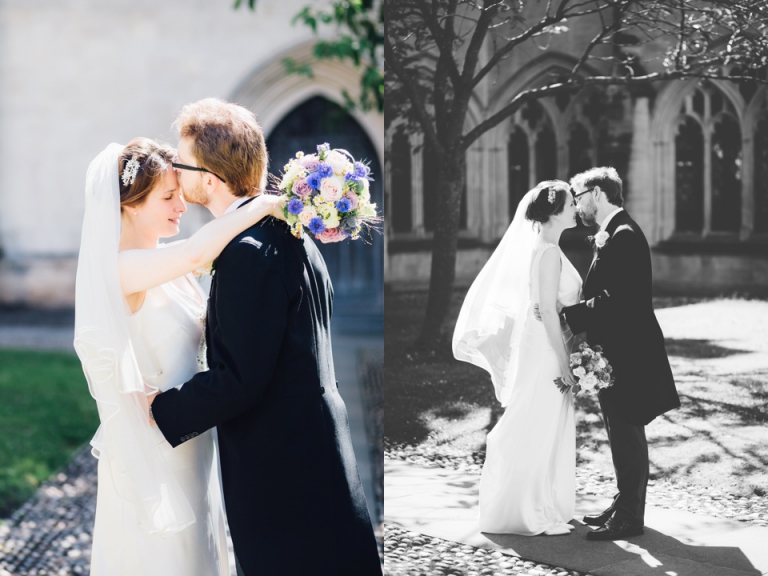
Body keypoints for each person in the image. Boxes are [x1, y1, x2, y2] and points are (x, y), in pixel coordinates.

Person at [147, 98, 382, 576]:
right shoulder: (291, 233)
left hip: (282, 470)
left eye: (180, 160)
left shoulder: (248, 252)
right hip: (316, 452)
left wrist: (159, 410)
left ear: (209, 179)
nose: (173, 169)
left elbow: (240, 379)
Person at [75, 137, 286, 575]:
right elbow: (198, 250)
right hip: (157, 444)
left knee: (200, 551)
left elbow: (198, 258)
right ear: (131, 204)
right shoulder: (121, 268)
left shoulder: (163, 262)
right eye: (168, 197)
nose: (181, 206)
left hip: (193, 438)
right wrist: (265, 205)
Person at [453, 180, 581, 536]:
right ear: (555, 212)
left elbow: (545, 305)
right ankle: (527, 509)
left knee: (541, 419)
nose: (575, 209)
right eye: (571, 204)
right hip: (545, 346)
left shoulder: (546, 246)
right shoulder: (549, 251)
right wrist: (565, 359)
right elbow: (547, 312)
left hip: (541, 340)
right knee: (535, 420)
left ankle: (539, 501)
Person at [559, 167, 680, 541]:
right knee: (621, 432)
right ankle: (625, 502)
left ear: (597, 193)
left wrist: (571, 315)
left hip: (628, 353)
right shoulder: (614, 232)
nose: (577, 206)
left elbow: (619, 299)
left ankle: (630, 517)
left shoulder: (624, 235)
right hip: (615, 351)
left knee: (627, 432)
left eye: (579, 197)